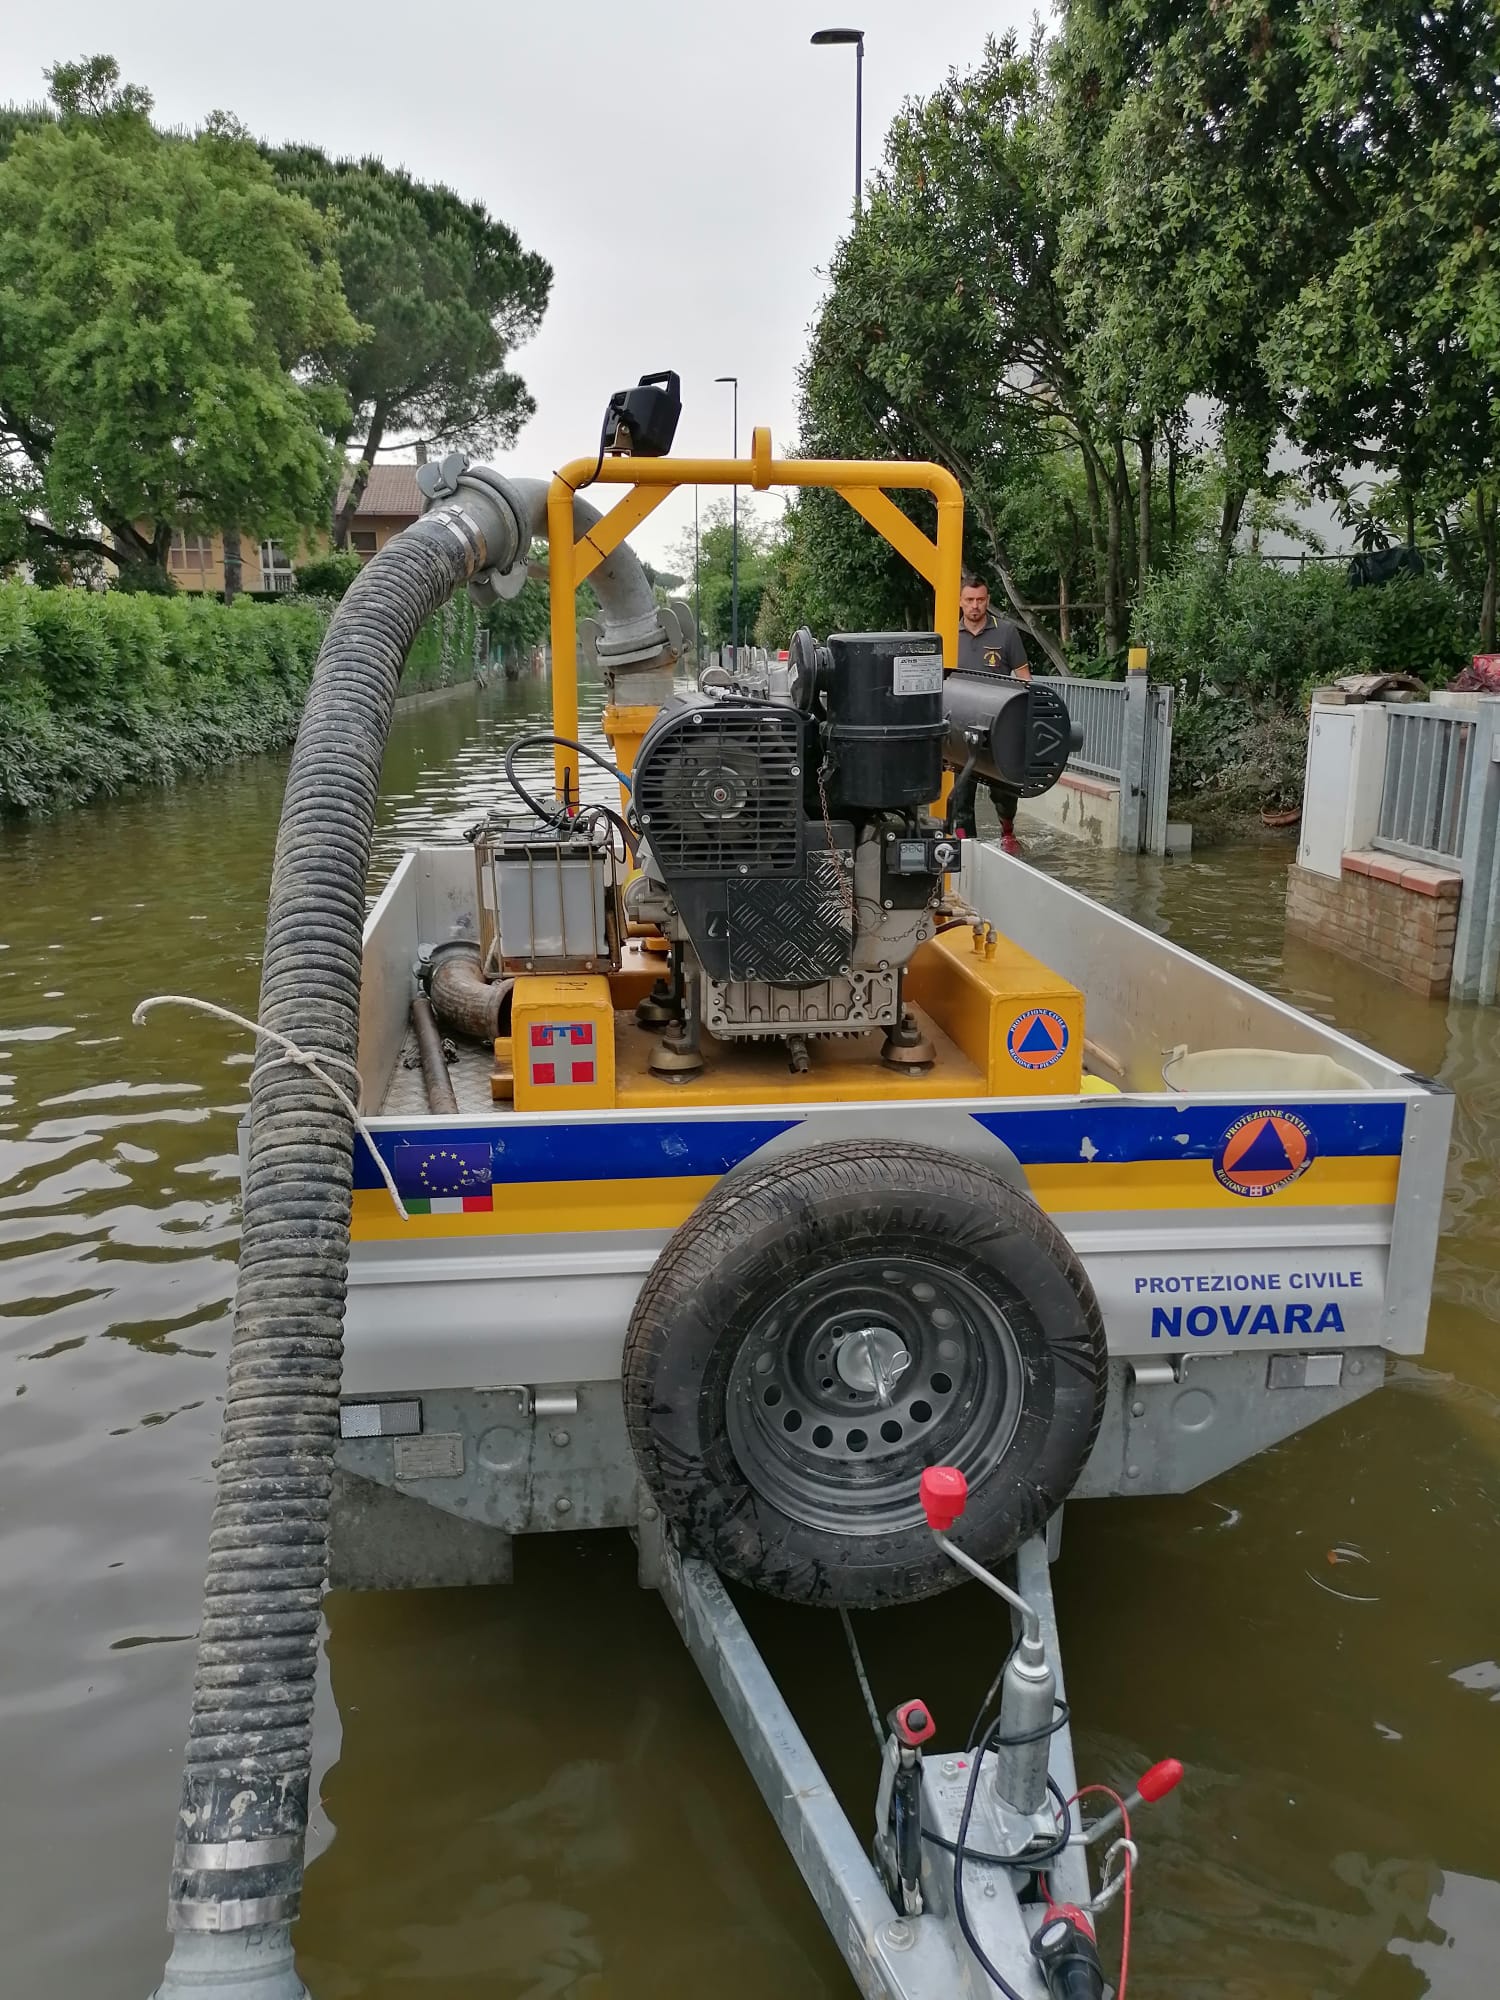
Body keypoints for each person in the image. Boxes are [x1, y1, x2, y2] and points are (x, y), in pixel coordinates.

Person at [950, 573, 1029, 854]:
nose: (975, 606)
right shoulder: (947, 634)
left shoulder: (1006, 633)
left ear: (988, 601)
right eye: (969, 600)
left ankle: (1007, 832)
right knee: (961, 793)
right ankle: (964, 845)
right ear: (960, 602)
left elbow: (1024, 678)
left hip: (999, 725)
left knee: (1005, 788)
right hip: (960, 727)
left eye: (980, 600)